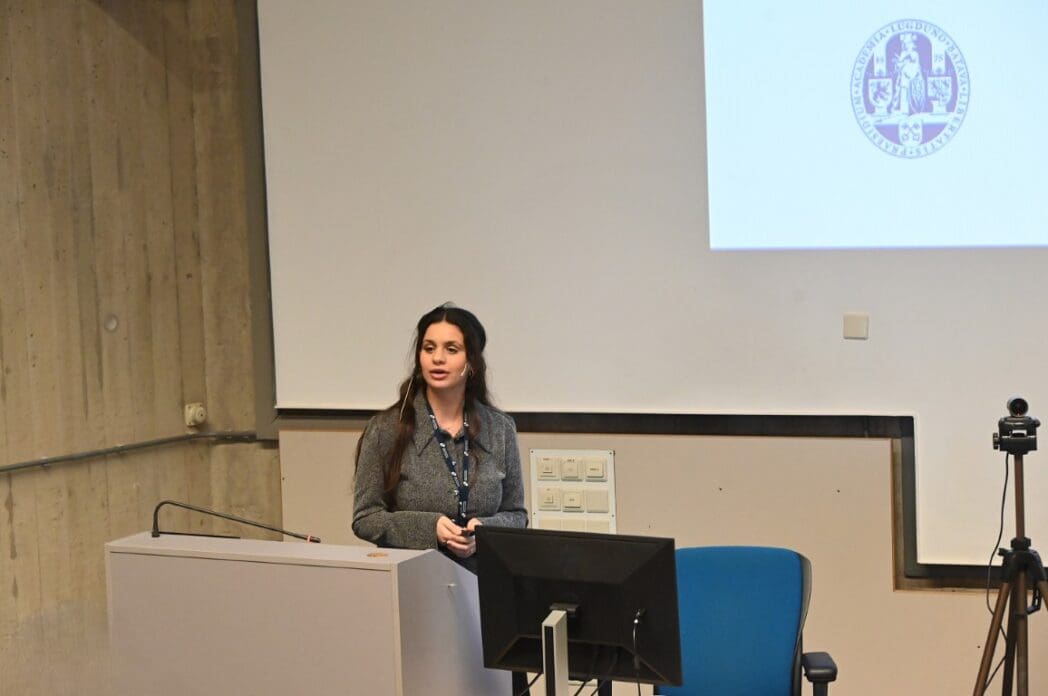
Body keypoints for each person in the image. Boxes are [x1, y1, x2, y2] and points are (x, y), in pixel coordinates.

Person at [353, 303, 531, 694]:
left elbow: (517, 515)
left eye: (451, 349)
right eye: (429, 347)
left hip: (487, 597)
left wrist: (486, 529)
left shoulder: (500, 429)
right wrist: (429, 527)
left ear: (472, 362)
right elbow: (365, 517)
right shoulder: (385, 429)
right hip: (415, 596)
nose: (437, 358)